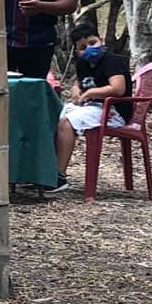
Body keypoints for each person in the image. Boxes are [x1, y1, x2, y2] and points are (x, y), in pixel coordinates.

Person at [53, 27, 133, 190]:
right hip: (93, 107)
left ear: (100, 41)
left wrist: (91, 93)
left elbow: (118, 89)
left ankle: (59, 176)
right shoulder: (83, 64)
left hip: (114, 111)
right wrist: (76, 89)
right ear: (77, 52)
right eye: (83, 47)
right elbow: (79, 81)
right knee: (54, 116)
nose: (89, 49)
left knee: (67, 123)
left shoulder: (112, 61)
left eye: (92, 43)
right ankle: (46, 170)